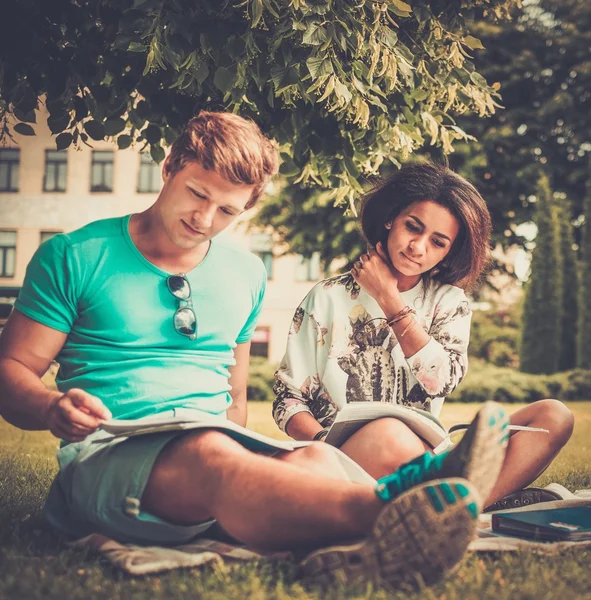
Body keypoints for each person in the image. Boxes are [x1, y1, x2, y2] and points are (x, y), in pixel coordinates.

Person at [0, 112, 506, 590]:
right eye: (197, 194)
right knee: (210, 453)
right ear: (171, 165)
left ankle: (357, 545)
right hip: (110, 452)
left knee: (315, 462)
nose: (204, 218)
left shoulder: (245, 273)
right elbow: (13, 369)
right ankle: (394, 512)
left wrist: (258, 467)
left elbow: (235, 397)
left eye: (227, 210)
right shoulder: (72, 256)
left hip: (214, 445)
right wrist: (51, 406)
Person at [273, 162, 574, 510]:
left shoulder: (449, 302)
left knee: (553, 416)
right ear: (390, 218)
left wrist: (389, 299)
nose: (418, 247)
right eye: (412, 227)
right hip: (341, 458)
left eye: (437, 242)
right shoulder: (326, 297)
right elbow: (288, 399)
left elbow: (441, 381)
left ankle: (460, 509)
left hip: (428, 453)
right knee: (388, 431)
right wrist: (323, 444)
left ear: (450, 250)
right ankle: (454, 502)